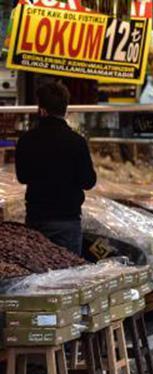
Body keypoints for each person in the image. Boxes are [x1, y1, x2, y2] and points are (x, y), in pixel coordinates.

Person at [15, 81, 97, 256]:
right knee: (67, 277)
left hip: (36, 219)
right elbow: (88, 181)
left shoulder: (26, 140)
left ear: (42, 110)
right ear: (65, 109)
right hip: (67, 221)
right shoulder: (77, 141)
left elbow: (22, 177)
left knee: (36, 277)